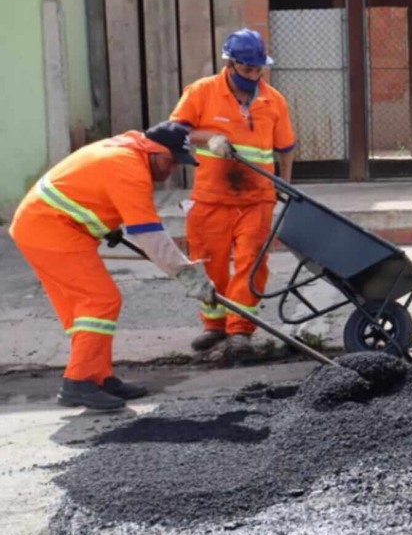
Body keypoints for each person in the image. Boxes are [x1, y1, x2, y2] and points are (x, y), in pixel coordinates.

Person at [8, 122, 215, 410]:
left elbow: (92, 190)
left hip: (47, 225)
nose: (170, 172)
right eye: (170, 162)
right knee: (100, 301)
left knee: (85, 310)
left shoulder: (126, 151)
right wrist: (186, 272)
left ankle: (99, 376)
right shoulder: (129, 169)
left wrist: (106, 224)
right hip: (51, 229)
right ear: (154, 152)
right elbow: (150, 235)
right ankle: (77, 382)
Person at [170, 28, 296, 358]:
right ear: (230, 64)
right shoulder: (201, 92)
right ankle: (214, 326)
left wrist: (285, 184)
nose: (254, 76)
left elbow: (285, 148)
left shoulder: (273, 101)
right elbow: (174, 131)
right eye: (247, 70)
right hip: (211, 197)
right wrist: (208, 137)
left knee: (251, 263)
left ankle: (240, 330)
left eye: (259, 70)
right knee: (208, 262)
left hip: (257, 198)